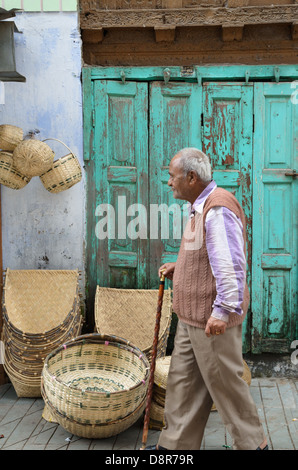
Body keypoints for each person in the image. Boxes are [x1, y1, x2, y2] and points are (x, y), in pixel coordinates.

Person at [145, 148, 268, 451]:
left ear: (191, 177)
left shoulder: (218, 208)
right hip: (190, 318)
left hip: (212, 321)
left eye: (173, 177)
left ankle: (254, 446)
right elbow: (207, 255)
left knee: (227, 389)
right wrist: (181, 268)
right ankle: (174, 449)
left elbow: (230, 266)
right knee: (183, 387)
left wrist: (223, 311)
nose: (169, 183)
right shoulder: (198, 206)